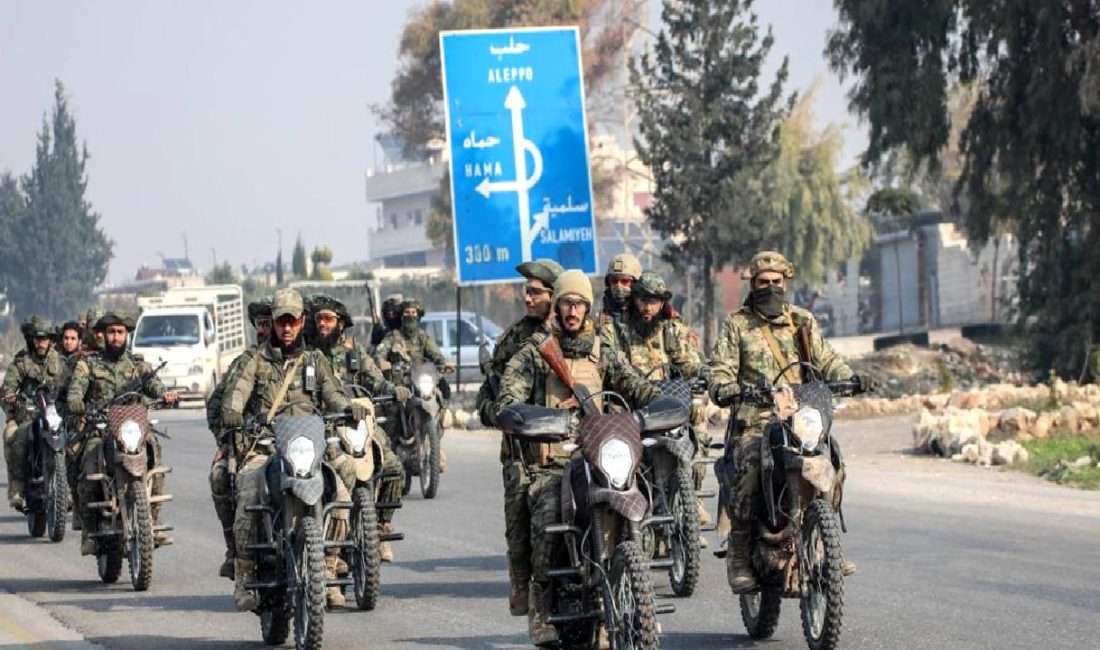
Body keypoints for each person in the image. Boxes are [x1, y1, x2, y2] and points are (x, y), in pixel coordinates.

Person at [494, 270, 657, 646]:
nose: (572, 310)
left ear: (587, 307)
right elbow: (508, 399)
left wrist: (662, 405)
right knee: (548, 511)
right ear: (557, 306)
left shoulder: (603, 351)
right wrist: (532, 416)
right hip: (551, 463)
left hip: (598, 456)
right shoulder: (534, 352)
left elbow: (635, 385)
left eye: (579, 303)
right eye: (566, 302)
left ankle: (635, 589)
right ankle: (541, 607)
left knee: (642, 492)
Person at [707, 251, 873, 593]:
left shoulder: (802, 321)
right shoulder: (737, 324)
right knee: (750, 467)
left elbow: (828, 361)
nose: (770, 288)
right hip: (756, 420)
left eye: (776, 282)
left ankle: (825, 544)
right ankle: (739, 552)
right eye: (763, 283)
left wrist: (852, 378)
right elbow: (721, 366)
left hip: (800, 418)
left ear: (786, 283)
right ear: (752, 285)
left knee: (832, 461)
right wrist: (725, 386)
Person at [219, 289, 366, 611]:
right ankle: (244, 578)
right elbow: (237, 394)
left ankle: (327, 570)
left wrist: (347, 407)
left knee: (341, 495)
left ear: (302, 323)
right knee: (246, 493)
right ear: (272, 323)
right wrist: (233, 412)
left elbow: (333, 394)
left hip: (310, 448)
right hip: (267, 447)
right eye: (281, 322)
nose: (287, 328)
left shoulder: (315, 360)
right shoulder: (255, 361)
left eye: (293, 322)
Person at [473, 258, 563, 616]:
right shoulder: (514, 339)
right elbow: (487, 396)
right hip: (524, 453)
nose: (527, 299)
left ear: (555, 296)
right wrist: (502, 415)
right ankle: (524, 586)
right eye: (526, 292)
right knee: (520, 525)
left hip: (574, 446)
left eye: (536, 292)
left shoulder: (582, 336)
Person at [599, 271, 713, 534]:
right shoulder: (617, 330)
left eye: (654, 301)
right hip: (632, 407)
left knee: (697, 414)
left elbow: (690, 363)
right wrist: (644, 391)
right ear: (635, 299)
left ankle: (690, 495)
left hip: (668, 406)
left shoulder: (670, 330)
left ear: (663, 303)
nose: (648, 307)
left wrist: (708, 378)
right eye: (643, 300)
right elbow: (615, 369)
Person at [66, 313, 179, 555]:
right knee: (85, 465)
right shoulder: (89, 364)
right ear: (103, 335)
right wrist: (77, 403)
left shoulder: (137, 364)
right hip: (101, 429)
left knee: (154, 452)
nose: (116, 337)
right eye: (111, 332)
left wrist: (166, 393)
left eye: (120, 332)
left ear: (126, 335)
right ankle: (89, 530)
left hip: (133, 430)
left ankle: (153, 522)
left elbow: (153, 384)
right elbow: (76, 389)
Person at [309, 294, 409, 563]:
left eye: (328, 319)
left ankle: (379, 526)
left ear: (341, 323)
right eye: (318, 319)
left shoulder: (355, 352)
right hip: (323, 427)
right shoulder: (308, 355)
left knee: (392, 467)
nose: (323, 324)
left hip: (358, 426)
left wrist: (393, 390)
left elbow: (376, 381)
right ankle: (328, 543)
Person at [205, 298, 272, 580]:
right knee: (221, 478)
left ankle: (335, 557)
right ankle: (235, 551)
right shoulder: (247, 362)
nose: (267, 329)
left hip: (301, 443)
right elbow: (217, 403)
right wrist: (226, 438)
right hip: (255, 443)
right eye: (262, 323)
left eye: (275, 322)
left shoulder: (307, 359)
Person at [2, 317, 66, 510]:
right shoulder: (21, 362)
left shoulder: (60, 362)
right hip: (28, 417)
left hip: (56, 416)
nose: (40, 343)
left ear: (51, 340)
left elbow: (74, 384)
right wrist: (9, 396)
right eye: (36, 339)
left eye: (44, 338)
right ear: (30, 339)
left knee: (77, 442)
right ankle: (17, 488)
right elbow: (8, 386)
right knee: (13, 436)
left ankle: (71, 491)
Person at [598, 253, 642, 331]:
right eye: (614, 281)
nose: (618, 286)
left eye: (624, 281)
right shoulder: (600, 319)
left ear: (635, 283)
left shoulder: (645, 316)